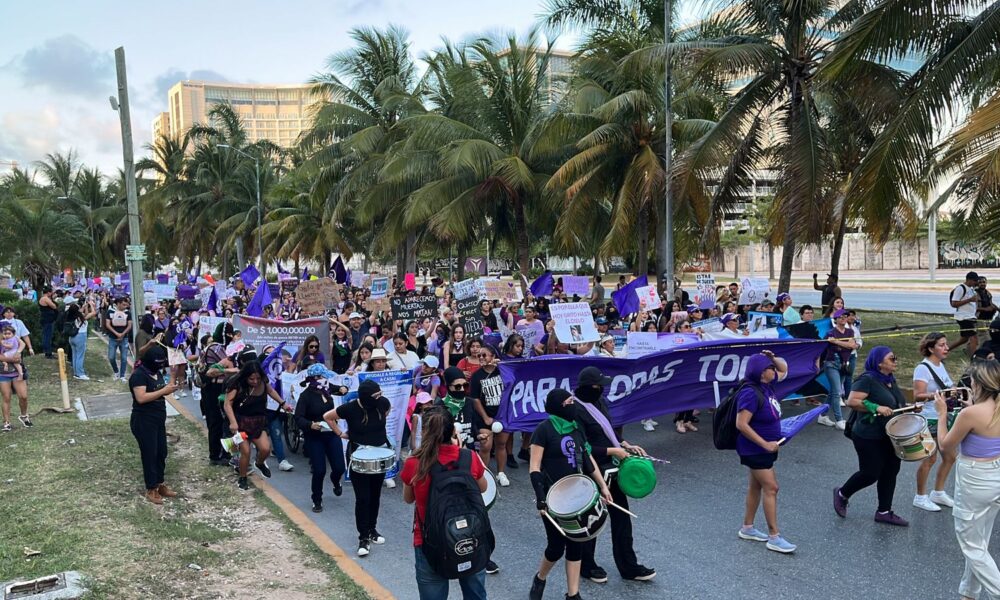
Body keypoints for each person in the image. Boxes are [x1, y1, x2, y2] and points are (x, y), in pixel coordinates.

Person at [529, 389, 613, 600]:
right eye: (569, 402)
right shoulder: (544, 430)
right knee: (556, 547)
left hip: (576, 498)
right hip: (553, 498)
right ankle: (540, 577)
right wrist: (540, 499)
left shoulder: (576, 428)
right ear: (559, 406)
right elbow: (534, 467)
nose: (573, 405)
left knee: (577, 544)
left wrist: (602, 486)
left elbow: (587, 459)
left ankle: (573, 594)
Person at [574, 366, 656, 582]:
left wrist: (625, 445)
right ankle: (586, 565)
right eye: (599, 386)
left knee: (622, 517)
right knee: (593, 519)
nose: (602, 390)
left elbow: (607, 431)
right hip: (591, 469)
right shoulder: (575, 410)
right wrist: (614, 451)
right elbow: (582, 447)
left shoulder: (599, 401)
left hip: (612, 467)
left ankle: (629, 566)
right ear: (588, 388)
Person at [402, 408, 491, 600]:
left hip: (429, 540)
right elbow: (483, 488)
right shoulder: (469, 458)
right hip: (470, 536)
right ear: (453, 431)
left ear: (424, 432)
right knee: (475, 594)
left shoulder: (414, 463)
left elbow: (408, 498)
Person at [933, 359, 1000, 600]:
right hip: (996, 475)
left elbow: (945, 445)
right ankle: (969, 593)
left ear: (980, 383)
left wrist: (942, 414)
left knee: (971, 545)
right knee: (979, 540)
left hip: (975, 478)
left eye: (972, 380)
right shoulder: (988, 409)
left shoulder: (970, 414)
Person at [834, 346, 909, 526]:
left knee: (891, 471)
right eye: (892, 358)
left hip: (890, 434)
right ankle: (842, 493)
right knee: (870, 473)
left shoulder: (890, 380)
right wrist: (876, 407)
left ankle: (884, 511)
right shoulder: (867, 379)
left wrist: (911, 406)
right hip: (868, 435)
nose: (896, 361)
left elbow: (893, 403)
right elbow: (851, 401)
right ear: (879, 362)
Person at [735, 351, 796, 553]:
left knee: (756, 486)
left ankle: (748, 527)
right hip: (755, 449)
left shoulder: (766, 386)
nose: (774, 370)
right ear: (762, 372)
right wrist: (764, 444)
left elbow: (784, 369)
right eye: (769, 367)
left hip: (764, 448)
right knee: (772, 487)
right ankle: (774, 536)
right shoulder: (750, 393)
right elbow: (741, 424)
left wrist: (773, 357)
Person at [324, 379, 391, 557]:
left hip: (379, 455)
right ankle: (363, 537)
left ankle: (372, 529)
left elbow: (387, 410)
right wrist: (340, 433)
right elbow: (327, 417)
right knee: (363, 497)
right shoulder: (350, 408)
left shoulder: (382, 403)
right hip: (358, 455)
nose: (379, 397)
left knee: (375, 494)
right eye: (375, 395)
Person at [223, 361, 292, 490]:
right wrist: (233, 422)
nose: (255, 381)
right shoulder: (236, 384)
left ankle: (259, 463)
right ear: (246, 377)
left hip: (258, 422)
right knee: (246, 451)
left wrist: (283, 403)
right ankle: (243, 478)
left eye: (257, 378)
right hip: (241, 423)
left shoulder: (263, 381)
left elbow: (271, 391)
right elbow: (227, 404)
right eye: (251, 379)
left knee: (266, 449)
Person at [911, 332, 958, 512]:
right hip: (928, 418)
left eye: (946, 344)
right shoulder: (923, 368)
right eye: (942, 345)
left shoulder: (940, 365)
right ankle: (920, 496)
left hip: (941, 417)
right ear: (931, 348)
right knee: (929, 459)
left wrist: (953, 389)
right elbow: (918, 395)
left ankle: (938, 492)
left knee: (950, 456)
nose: (947, 348)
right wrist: (939, 395)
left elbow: (946, 385)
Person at [128, 344, 179, 504]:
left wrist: (173, 375)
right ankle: (151, 488)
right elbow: (141, 398)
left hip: (158, 419)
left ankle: (160, 483)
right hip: (143, 420)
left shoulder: (156, 373)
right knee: (150, 454)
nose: (160, 365)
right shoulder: (139, 375)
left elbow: (165, 389)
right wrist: (163, 392)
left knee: (161, 452)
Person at [295, 363, 349, 513]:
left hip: (331, 433)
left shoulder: (327, 388)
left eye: (324, 377)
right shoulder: (305, 396)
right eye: (320, 377)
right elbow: (298, 417)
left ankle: (335, 480)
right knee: (319, 470)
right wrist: (310, 425)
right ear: (313, 379)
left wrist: (344, 389)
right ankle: (316, 499)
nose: (323, 379)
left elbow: (341, 389)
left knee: (339, 467)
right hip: (314, 436)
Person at [470, 345, 508, 483]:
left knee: (501, 444)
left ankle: (501, 473)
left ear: (493, 356)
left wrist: (502, 365)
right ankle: (484, 475)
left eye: (484, 355)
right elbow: (475, 398)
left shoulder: (502, 371)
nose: (480, 357)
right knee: (486, 445)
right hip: (484, 415)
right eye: (479, 355)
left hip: (502, 415)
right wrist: (485, 417)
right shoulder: (476, 376)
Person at [818, 309, 856, 430]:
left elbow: (852, 345)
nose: (844, 318)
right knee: (837, 391)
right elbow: (822, 348)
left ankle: (822, 415)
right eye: (841, 317)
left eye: (845, 316)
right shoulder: (830, 332)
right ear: (836, 319)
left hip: (844, 365)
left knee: (833, 392)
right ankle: (839, 420)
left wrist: (836, 342)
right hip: (831, 364)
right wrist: (839, 342)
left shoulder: (850, 331)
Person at [952, 271, 982, 355]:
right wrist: (969, 300)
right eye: (974, 281)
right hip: (964, 317)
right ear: (969, 280)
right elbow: (954, 303)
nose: (976, 283)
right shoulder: (960, 288)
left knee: (964, 339)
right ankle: (974, 358)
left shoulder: (971, 289)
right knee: (974, 338)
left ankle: (946, 350)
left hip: (971, 316)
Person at [105, 296, 132, 382]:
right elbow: (107, 324)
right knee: (111, 357)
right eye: (123, 304)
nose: (125, 306)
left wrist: (123, 334)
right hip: (113, 338)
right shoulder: (110, 311)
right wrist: (116, 333)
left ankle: (122, 375)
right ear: (118, 304)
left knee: (124, 358)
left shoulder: (128, 313)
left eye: (126, 305)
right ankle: (116, 372)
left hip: (124, 338)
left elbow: (129, 325)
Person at [38, 286, 58, 359]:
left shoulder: (46, 298)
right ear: (49, 292)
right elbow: (54, 306)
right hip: (47, 320)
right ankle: (48, 352)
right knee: (47, 336)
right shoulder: (45, 299)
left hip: (49, 319)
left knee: (48, 336)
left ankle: (48, 351)